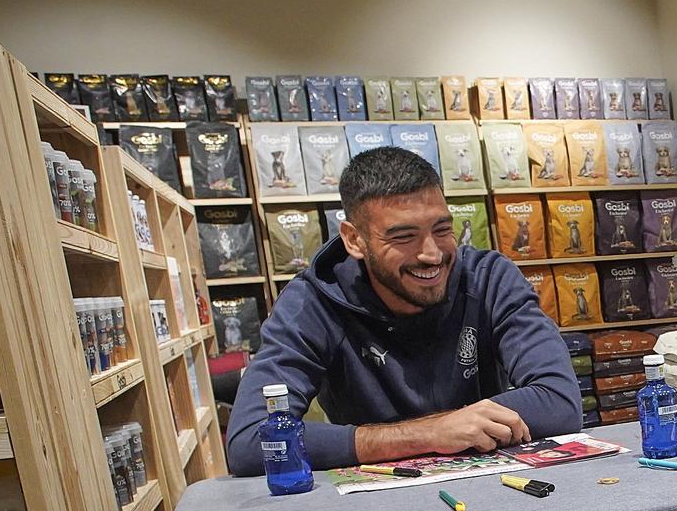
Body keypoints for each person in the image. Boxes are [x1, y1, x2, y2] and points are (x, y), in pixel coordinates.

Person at [225, 147, 581, 474]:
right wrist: (428, 434)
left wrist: (439, 430)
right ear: (354, 239)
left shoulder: (489, 277)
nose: (431, 253)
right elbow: (250, 441)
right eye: (403, 237)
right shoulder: (311, 301)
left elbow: (560, 401)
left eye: (442, 229)